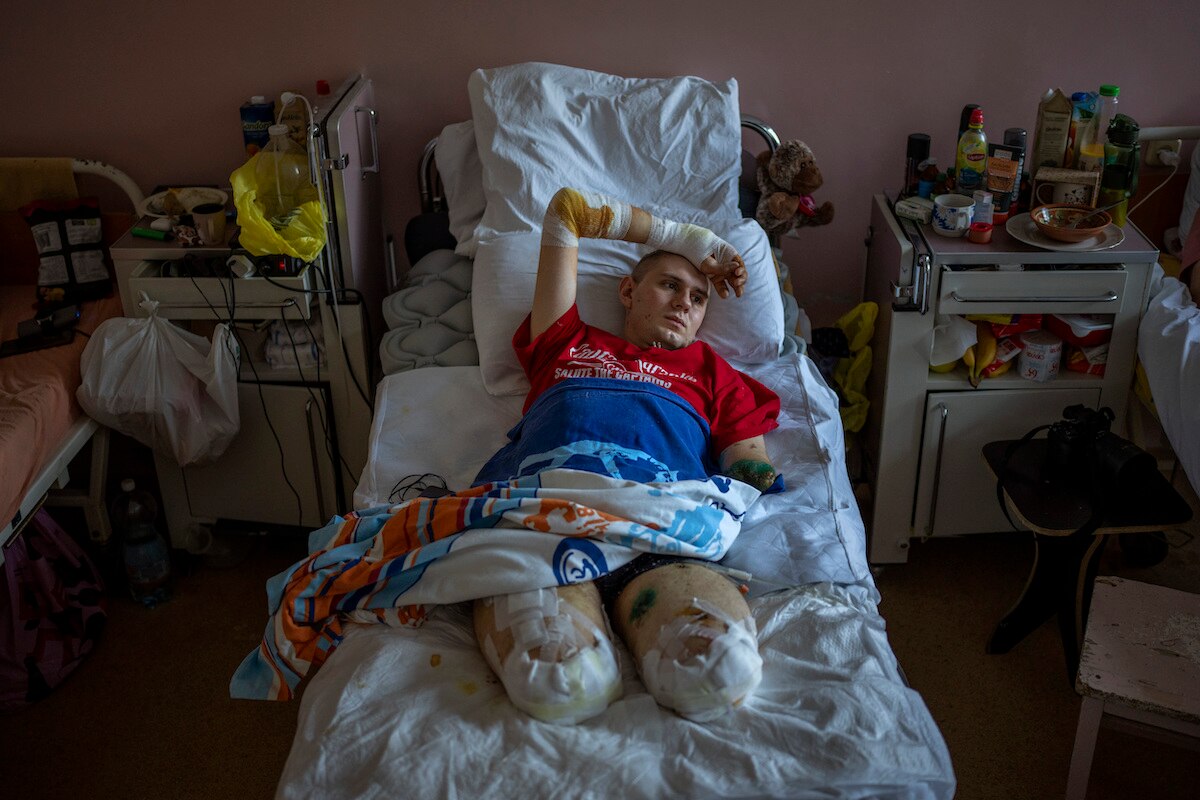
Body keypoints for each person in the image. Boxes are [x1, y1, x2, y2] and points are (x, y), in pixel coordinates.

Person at [472, 187, 781, 725]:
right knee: (558, 677)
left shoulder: (715, 373)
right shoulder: (565, 342)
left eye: (699, 296)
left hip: (658, 522)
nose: (686, 301)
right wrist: (691, 240)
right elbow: (565, 212)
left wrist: (754, 476)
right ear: (627, 291)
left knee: (716, 665)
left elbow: (748, 468)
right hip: (540, 514)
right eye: (669, 284)